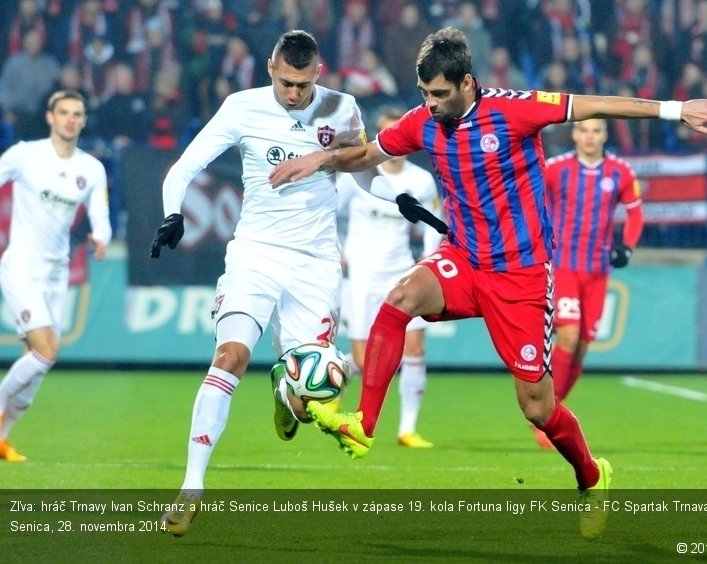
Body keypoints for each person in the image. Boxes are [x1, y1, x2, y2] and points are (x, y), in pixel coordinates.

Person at [268, 27, 707, 541]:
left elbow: (597, 105)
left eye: (440, 94)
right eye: (424, 94)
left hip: (522, 277)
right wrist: (322, 159)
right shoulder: (422, 123)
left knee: (537, 407)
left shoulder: (516, 110)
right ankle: (366, 424)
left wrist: (676, 111)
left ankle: (592, 477)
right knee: (399, 298)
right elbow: (367, 155)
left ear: (467, 83)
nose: (431, 104)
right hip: (464, 259)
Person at [149, 30, 387, 537]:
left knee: (311, 400)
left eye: (302, 84)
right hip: (255, 253)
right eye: (285, 82)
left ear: (318, 74)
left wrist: (399, 199)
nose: (294, 94)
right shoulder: (242, 108)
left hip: (316, 263)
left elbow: (363, 170)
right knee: (230, 357)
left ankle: (286, 391)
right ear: (269, 68)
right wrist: (173, 214)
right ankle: (191, 488)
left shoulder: (342, 110)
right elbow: (185, 165)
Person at [0, 90, 111, 462]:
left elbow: (101, 218)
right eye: (63, 112)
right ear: (51, 117)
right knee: (48, 351)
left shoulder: (91, 169)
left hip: (56, 273)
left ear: (82, 120)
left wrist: (101, 238)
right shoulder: (24, 155)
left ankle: (2, 438)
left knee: (37, 366)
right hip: (21, 267)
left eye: (76, 113)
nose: (69, 119)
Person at [532, 118, 643, 450]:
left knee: (581, 345)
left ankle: (553, 409)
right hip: (563, 265)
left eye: (597, 131)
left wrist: (627, 246)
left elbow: (635, 213)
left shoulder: (620, 172)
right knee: (569, 334)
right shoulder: (556, 168)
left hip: (597, 270)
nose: (590, 136)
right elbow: (529, 197)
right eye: (584, 130)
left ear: (604, 135)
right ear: (575, 134)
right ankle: (547, 418)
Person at [338, 108, 443, 449]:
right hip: (363, 276)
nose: (389, 141)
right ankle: (332, 387)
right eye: (383, 133)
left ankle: (407, 429)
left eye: (394, 133)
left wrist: (428, 259)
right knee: (364, 357)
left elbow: (432, 222)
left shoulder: (421, 181)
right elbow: (329, 214)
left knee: (415, 346)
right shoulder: (357, 177)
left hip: (401, 272)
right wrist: (338, 250)